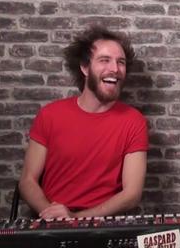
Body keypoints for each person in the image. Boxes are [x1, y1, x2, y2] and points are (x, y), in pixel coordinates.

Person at [18, 25, 148, 219]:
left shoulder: (134, 121)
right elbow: (27, 181)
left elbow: (131, 195)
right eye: (104, 60)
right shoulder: (50, 114)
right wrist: (52, 215)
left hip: (100, 225)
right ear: (85, 67)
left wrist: (75, 219)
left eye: (121, 62)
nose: (115, 69)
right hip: (49, 222)